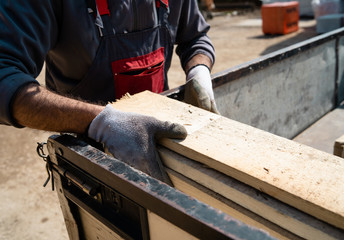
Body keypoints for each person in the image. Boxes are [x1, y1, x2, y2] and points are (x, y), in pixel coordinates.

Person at [0, 0, 218, 183]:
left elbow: (196, 37)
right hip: (89, 157)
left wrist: (199, 70)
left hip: (160, 143)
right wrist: (102, 123)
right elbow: (4, 76)